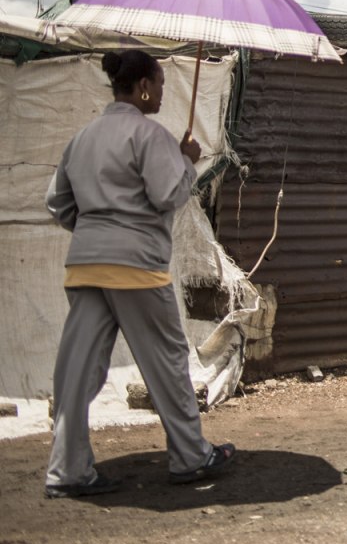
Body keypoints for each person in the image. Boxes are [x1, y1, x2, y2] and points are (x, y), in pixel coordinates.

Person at [43, 49, 237, 498]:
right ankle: (191, 456)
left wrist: (96, 228)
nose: (161, 96)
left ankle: (67, 470)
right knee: (166, 362)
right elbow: (168, 193)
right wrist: (185, 157)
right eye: (160, 88)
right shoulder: (149, 136)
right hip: (136, 267)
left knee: (77, 369)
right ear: (144, 87)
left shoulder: (84, 137)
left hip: (86, 263)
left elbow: (58, 203)